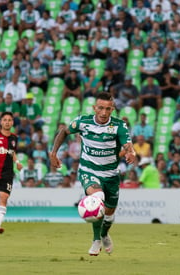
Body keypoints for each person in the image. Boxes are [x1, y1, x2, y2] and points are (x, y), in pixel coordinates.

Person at [49, 92, 136, 256]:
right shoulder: (83, 122)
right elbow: (63, 131)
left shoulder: (119, 125)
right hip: (88, 171)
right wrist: (53, 153)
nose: (104, 113)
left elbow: (127, 144)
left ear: (113, 109)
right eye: (101, 108)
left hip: (110, 174)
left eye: (108, 109)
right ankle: (96, 240)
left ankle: (104, 234)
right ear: (94, 108)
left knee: (109, 213)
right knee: (98, 199)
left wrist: (131, 152)